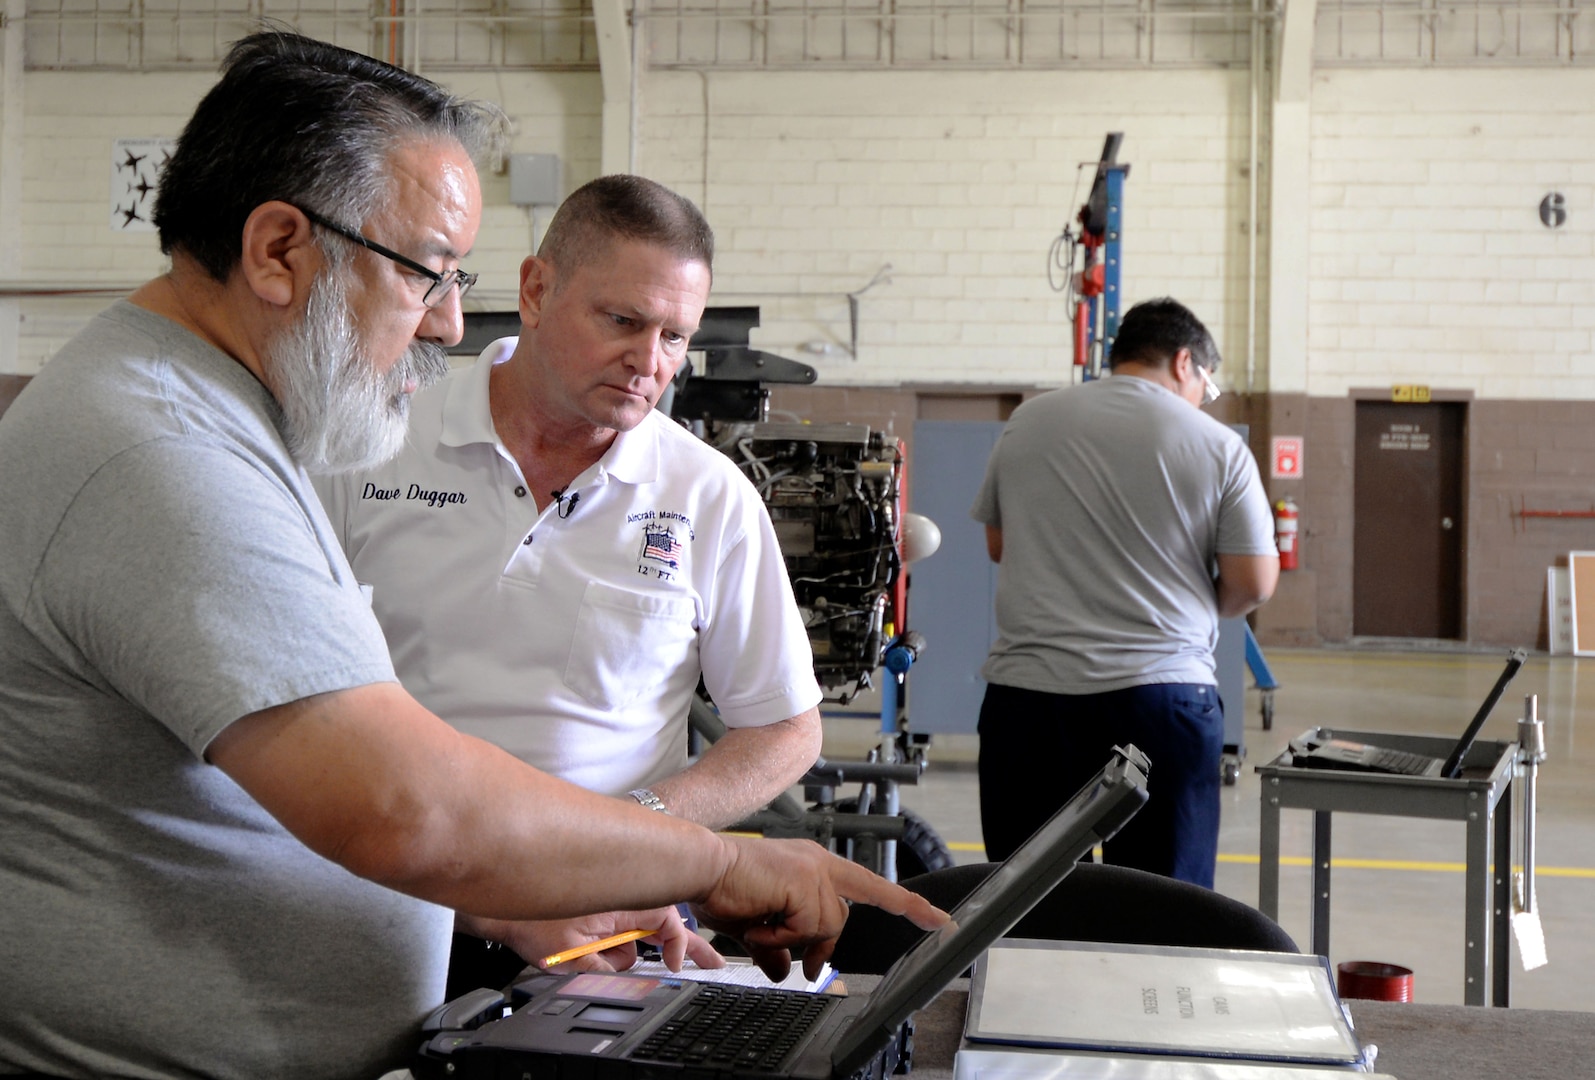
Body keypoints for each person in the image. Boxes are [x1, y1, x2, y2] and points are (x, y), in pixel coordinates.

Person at [0, 33, 943, 1080]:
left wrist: (526, 895)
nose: (447, 321)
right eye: (425, 276)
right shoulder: (161, 455)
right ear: (277, 252)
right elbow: (408, 807)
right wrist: (717, 861)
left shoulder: (212, 427)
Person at [315, 174, 825, 990]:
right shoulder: (373, 444)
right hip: (379, 901)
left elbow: (784, 729)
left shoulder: (706, 494)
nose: (648, 362)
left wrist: (631, 830)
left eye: (673, 337)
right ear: (535, 289)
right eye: (622, 321)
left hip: (610, 921)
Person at [970, 297, 1278, 887]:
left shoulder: (1030, 422)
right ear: (1186, 362)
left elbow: (999, 545)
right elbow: (1253, 582)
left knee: (1023, 911)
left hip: (1030, 702)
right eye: (1206, 384)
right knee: (1161, 911)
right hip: (1161, 700)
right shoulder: (1215, 444)